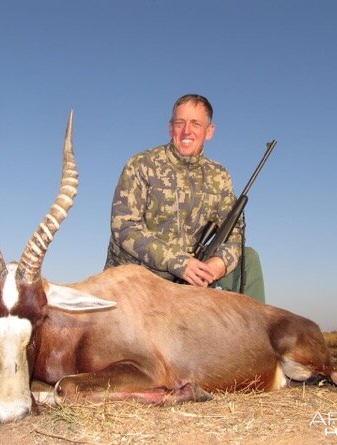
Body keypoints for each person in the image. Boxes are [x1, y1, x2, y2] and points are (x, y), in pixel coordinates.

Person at [104, 94, 265, 303]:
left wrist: (217, 265)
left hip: (192, 272)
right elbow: (124, 227)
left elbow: (234, 233)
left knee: (249, 258)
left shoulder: (220, 175)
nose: (186, 131)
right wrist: (177, 261)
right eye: (180, 123)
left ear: (209, 131)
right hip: (143, 273)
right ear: (171, 128)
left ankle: (256, 332)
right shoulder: (141, 164)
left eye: (196, 123)